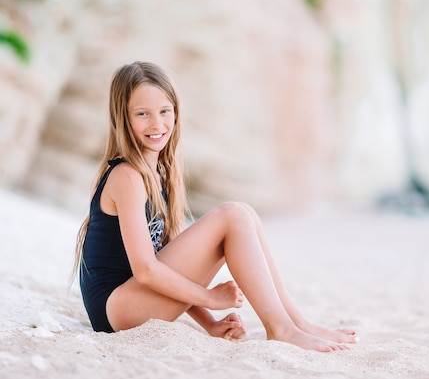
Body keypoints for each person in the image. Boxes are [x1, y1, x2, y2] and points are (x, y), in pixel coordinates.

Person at [72, 61, 357, 352]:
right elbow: (146, 270)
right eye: (142, 114)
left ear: (176, 113)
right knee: (232, 215)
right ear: (123, 117)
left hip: (133, 299)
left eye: (165, 111)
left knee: (244, 214)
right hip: (115, 309)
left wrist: (209, 323)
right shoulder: (126, 176)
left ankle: (298, 324)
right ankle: (282, 329)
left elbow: (171, 264)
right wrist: (211, 297)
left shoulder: (160, 173)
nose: (157, 124)